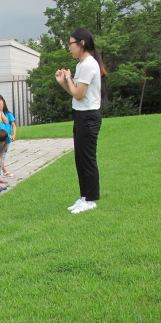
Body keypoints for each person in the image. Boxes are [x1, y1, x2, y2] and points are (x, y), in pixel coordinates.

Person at [56, 28, 107, 214]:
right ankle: (85, 196)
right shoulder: (81, 65)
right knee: (80, 159)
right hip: (80, 115)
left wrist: (69, 77)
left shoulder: (88, 65)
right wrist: (63, 82)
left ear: (81, 43)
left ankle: (91, 199)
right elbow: (75, 93)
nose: (69, 48)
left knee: (87, 159)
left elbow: (78, 94)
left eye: (71, 43)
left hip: (88, 117)